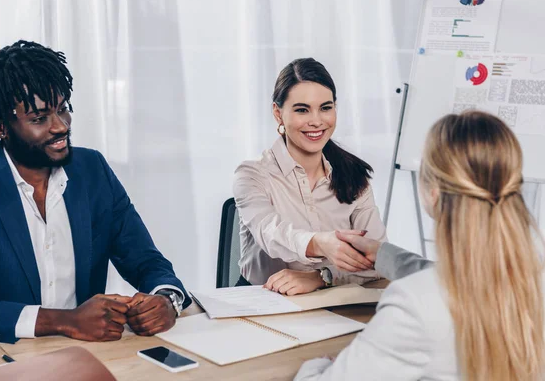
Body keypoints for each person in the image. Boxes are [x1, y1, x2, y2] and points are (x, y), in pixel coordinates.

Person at [0, 40, 191, 344]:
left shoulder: (92, 170)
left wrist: (167, 299)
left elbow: (146, 261)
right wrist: (65, 321)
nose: (60, 126)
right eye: (39, 118)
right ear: (0, 126)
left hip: (87, 355)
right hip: (2, 358)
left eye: (62, 110)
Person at [295, 111, 545, 381]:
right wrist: (382, 254)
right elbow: (452, 280)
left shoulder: (415, 304)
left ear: (433, 195)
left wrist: (318, 365)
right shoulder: (531, 275)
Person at [233, 58, 386, 295]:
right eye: (302, 110)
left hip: (330, 302)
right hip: (264, 301)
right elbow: (270, 233)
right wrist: (321, 243)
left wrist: (322, 277)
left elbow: (379, 259)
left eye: (325, 108)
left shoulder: (354, 175)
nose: (316, 121)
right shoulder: (251, 175)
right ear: (278, 113)